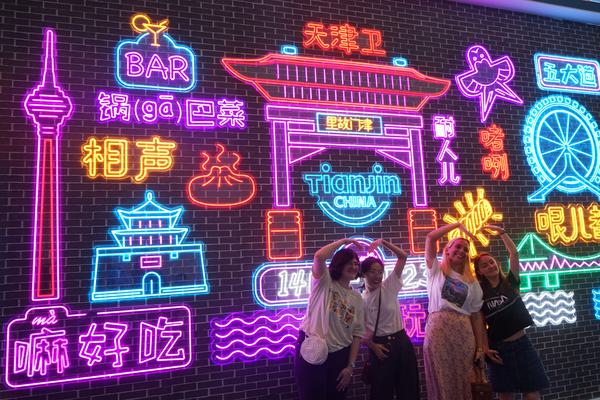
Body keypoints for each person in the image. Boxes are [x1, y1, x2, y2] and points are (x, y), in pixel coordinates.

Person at [473, 225, 549, 400]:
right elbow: (480, 324)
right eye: (484, 265)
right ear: (480, 272)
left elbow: (514, 254)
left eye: (491, 262)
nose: (490, 266)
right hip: (499, 349)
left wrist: (502, 233)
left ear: (497, 264)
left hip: (522, 344)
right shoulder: (479, 293)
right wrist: (484, 348)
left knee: (532, 394)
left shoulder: (511, 283)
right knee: (506, 395)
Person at [295, 238, 366, 400]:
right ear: (339, 264)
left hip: (340, 356)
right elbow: (319, 256)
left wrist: (350, 367)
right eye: (349, 263)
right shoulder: (324, 283)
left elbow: (357, 334)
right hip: (313, 350)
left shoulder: (357, 298)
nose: (354, 266)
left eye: (356, 263)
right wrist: (345, 240)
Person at [423, 222, 486, 400]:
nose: (461, 251)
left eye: (466, 249)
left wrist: (480, 347)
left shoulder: (472, 282)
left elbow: (476, 316)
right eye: (457, 246)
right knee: (441, 376)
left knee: (465, 377)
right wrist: (458, 224)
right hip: (438, 330)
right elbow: (430, 237)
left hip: (464, 332)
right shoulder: (436, 271)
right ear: (447, 250)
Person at [360, 238, 420, 400]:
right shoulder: (360, 299)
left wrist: (383, 242)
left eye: (380, 272)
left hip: (401, 342)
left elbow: (403, 257)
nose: (377, 276)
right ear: (363, 273)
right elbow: (358, 330)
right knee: (381, 392)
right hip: (379, 346)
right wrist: (372, 346)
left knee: (408, 389)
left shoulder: (388, 286)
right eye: (372, 272)